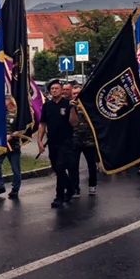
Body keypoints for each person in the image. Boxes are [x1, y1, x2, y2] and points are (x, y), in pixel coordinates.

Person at [38, 79, 74, 208]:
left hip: (66, 142)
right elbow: (42, 124)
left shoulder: (68, 103)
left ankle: (59, 196)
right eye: (52, 89)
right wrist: (39, 141)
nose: (54, 90)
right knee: (56, 168)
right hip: (52, 142)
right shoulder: (47, 105)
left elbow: (74, 122)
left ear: (61, 90)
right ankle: (71, 187)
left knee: (60, 166)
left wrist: (73, 108)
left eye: (56, 88)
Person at [0, 99, 23, 199]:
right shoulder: (2, 114)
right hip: (2, 146)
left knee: (15, 169)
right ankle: (0, 186)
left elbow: (22, 130)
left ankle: (15, 189)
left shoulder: (18, 114)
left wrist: (11, 136)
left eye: (5, 100)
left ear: (10, 101)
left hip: (14, 147)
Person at [70, 85, 99, 194]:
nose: (76, 95)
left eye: (78, 93)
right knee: (73, 165)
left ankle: (92, 185)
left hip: (89, 140)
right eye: (74, 94)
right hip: (75, 139)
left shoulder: (90, 106)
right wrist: (72, 108)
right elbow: (73, 122)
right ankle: (75, 187)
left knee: (91, 165)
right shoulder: (70, 106)